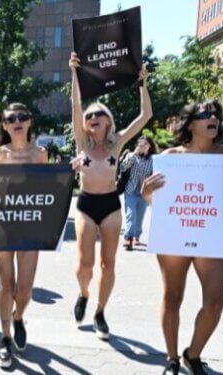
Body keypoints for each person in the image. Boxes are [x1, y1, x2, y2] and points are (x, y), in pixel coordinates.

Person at [141, 100, 223, 375]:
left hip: (211, 236)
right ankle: (172, 358)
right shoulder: (171, 156)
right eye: (206, 114)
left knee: (215, 303)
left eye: (216, 114)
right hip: (175, 235)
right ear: (191, 123)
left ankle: (192, 354)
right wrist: (146, 193)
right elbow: (156, 200)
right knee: (172, 297)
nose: (213, 118)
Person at [69, 52, 152, 340]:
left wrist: (143, 84)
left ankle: (100, 312)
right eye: (89, 115)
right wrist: (74, 72)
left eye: (98, 114)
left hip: (111, 206)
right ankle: (83, 293)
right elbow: (75, 105)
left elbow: (145, 116)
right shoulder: (82, 143)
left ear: (108, 121)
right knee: (85, 264)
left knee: (108, 263)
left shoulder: (117, 144)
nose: (92, 117)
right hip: (86, 205)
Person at [0, 103, 48, 368]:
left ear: (29, 121)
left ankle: (18, 316)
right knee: (6, 283)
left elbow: (49, 190)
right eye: (10, 118)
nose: (17, 121)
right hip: (4, 225)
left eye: (22, 117)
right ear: (4, 125)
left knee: (25, 287)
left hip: (31, 226)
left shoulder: (40, 154)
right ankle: (4, 338)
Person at [120, 135, 158, 250]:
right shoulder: (132, 156)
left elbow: (155, 174)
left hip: (144, 192)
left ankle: (136, 236)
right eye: (141, 143)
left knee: (139, 216)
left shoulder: (153, 160)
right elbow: (123, 167)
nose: (143, 146)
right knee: (131, 214)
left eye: (146, 144)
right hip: (130, 190)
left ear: (150, 146)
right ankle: (128, 238)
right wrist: (134, 153)